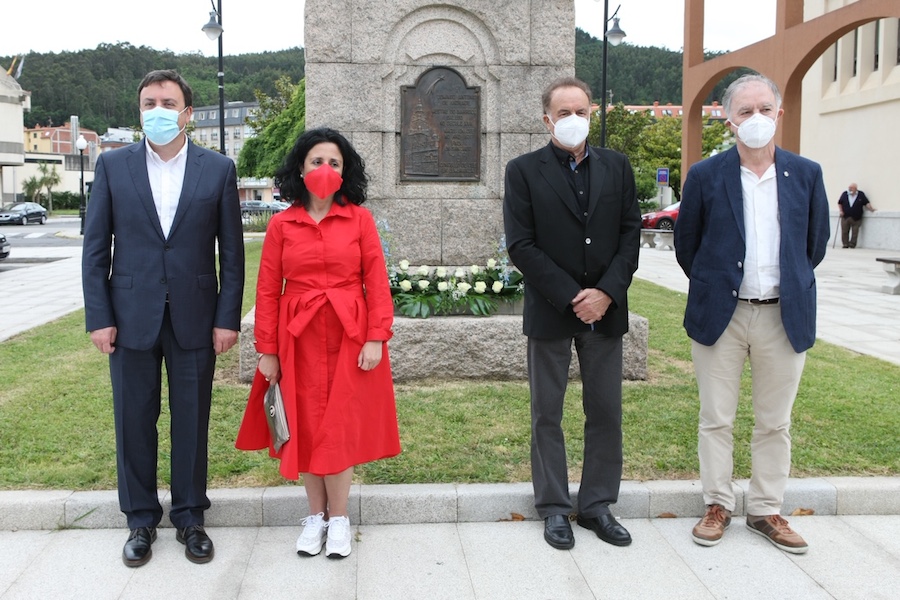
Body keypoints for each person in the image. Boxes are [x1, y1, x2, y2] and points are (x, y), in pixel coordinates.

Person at [82, 69, 245, 567]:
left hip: (196, 315)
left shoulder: (218, 169)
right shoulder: (113, 167)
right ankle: (139, 520)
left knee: (191, 420)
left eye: (167, 102)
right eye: (149, 102)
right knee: (134, 420)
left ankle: (191, 516)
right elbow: (95, 250)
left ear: (187, 113)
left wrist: (227, 318)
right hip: (129, 316)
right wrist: (99, 317)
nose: (158, 110)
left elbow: (232, 256)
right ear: (140, 111)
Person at [674, 74, 830, 555]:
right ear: (729, 118)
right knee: (715, 418)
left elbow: (814, 244)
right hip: (722, 314)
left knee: (774, 422)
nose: (756, 119)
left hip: (783, 316)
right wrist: (717, 284)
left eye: (765, 109)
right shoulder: (705, 175)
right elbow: (688, 247)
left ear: (779, 114)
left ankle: (765, 509)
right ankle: (717, 504)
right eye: (745, 111)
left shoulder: (806, 173)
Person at [235, 127, 401, 559]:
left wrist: (376, 337)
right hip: (297, 338)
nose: (325, 169)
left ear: (345, 173)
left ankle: (340, 520)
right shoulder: (281, 224)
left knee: (339, 426)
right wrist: (267, 350)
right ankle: (315, 517)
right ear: (301, 168)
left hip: (349, 334)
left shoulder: (360, 220)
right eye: (316, 161)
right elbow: (268, 290)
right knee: (305, 425)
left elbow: (376, 282)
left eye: (334, 163)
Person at [503, 77, 641, 550]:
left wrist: (604, 292)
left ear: (592, 112)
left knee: (605, 411)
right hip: (551, 310)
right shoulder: (522, 170)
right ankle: (555, 507)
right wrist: (571, 295)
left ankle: (598, 505)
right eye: (563, 112)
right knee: (548, 413)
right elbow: (521, 244)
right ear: (547, 119)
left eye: (580, 110)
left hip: (606, 311)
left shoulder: (618, 167)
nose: (573, 119)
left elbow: (629, 235)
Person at [837, 183, 875, 248]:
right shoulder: (845, 194)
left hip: (856, 217)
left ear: (855, 189)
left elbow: (866, 202)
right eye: (849, 188)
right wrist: (841, 211)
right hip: (845, 216)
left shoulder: (860, 194)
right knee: (844, 231)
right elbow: (840, 203)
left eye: (851, 188)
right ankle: (845, 244)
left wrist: (871, 209)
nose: (850, 189)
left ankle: (852, 244)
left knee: (855, 232)